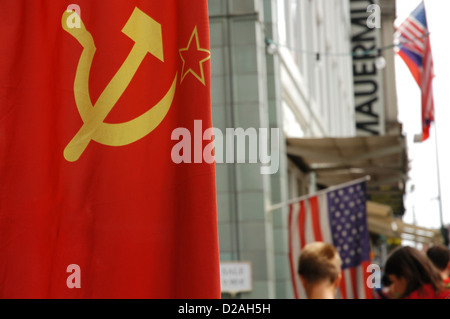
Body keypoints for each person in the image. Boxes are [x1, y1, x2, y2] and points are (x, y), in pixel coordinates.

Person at [383, 246, 450, 299]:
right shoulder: (443, 291)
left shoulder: (415, 296)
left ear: (405, 276)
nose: (394, 288)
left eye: (394, 281)